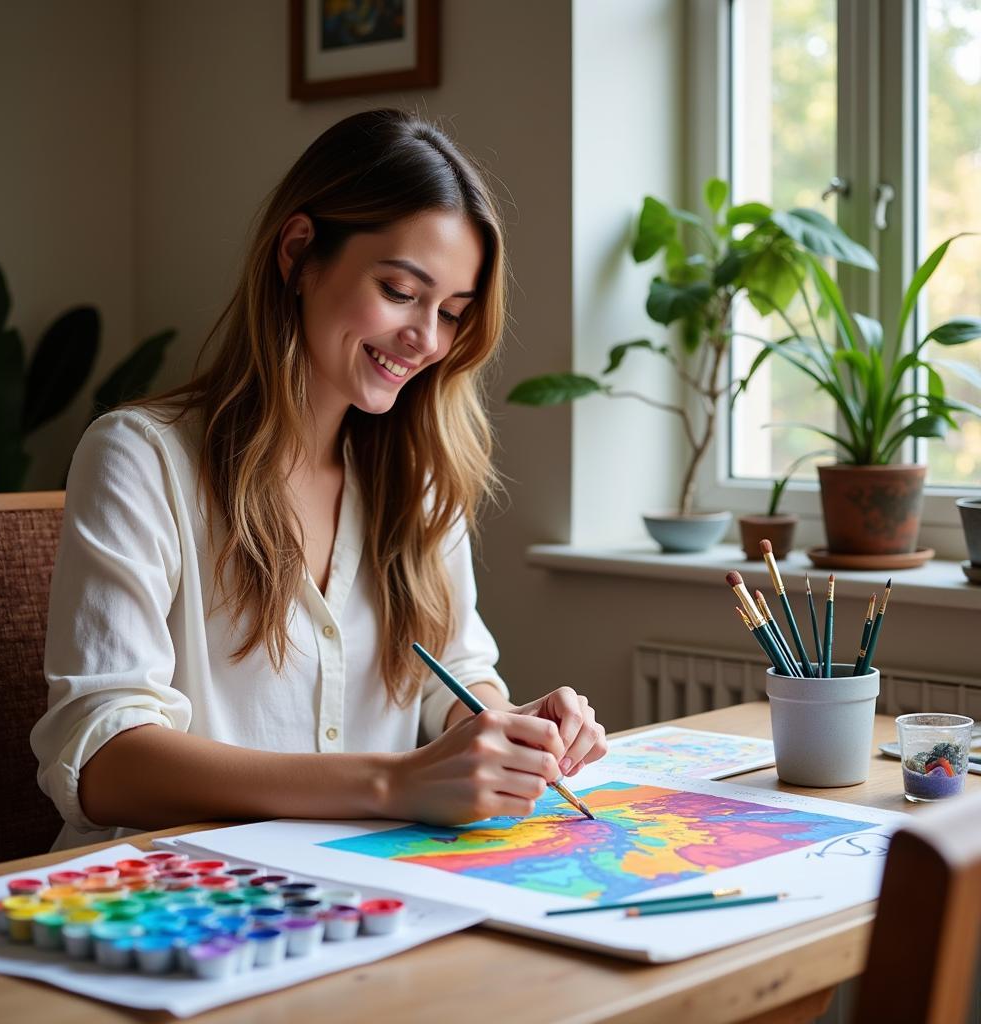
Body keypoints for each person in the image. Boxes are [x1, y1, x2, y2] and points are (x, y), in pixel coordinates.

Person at [31, 108, 607, 851]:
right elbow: (102, 762)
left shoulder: (420, 478)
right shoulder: (140, 458)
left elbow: (451, 678)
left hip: (366, 896)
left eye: (453, 313)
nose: (426, 339)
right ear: (300, 254)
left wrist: (504, 731)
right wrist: (393, 784)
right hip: (170, 905)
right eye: (401, 291)